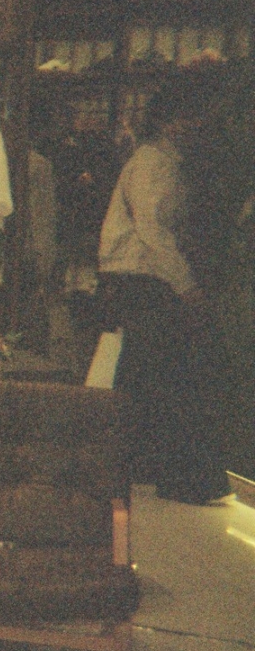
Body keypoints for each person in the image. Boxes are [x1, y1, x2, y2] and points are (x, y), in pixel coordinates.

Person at [97, 78, 230, 506]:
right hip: (144, 279)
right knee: (160, 374)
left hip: (144, 279)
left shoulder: (161, 161)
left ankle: (136, 468)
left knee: (145, 374)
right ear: (174, 122)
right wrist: (186, 284)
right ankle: (159, 472)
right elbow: (153, 230)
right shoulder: (153, 162)